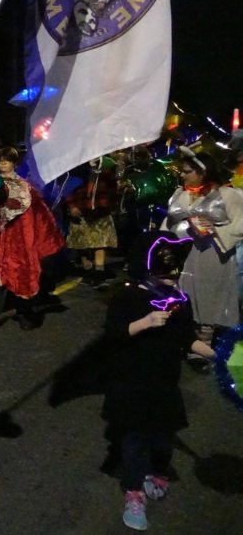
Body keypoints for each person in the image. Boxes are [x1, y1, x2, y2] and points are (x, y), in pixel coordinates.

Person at [102, 231, 215, 531]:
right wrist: (145, 322)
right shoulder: (128, 296)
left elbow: (186, 338)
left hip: (164, 383)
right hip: (131, 383)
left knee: (163, 438)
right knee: (135, 439)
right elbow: (113, 335)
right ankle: (134, 490)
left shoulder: (178, 299)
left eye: (178, 265)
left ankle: (156, 471)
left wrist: (217, 353)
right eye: (167, 265)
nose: (174, 273)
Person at [0, 147, 65, 331]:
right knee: (0, 274)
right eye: (1, 159)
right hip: (0, 237)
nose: (3, 163)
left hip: (20, 238)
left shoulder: (24, 186)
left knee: (21, 274)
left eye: (8, 160)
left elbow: (36, 212)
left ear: (14, 163)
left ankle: (26, 314)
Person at [161, 148, 243, 367]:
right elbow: (169, 222)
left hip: (213, 253)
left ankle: (203, 343)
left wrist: (215, 230)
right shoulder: (181, 193)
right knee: (182, 291)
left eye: (187, 171)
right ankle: (183, 336)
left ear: (203, 172)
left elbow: (239, 224)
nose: (183, 175)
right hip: (184, 251)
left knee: (207, 295)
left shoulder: (228, 195)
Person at [65, 157, 119, 285]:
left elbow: (113, 189)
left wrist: (110, 205)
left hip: (100, 211)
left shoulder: (108, 166)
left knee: (100, 242)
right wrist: (72, 205)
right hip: (80, 210)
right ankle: (88, 270)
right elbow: (68, 188)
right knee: (80, 243)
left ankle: (99, 272)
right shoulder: (76, 167)